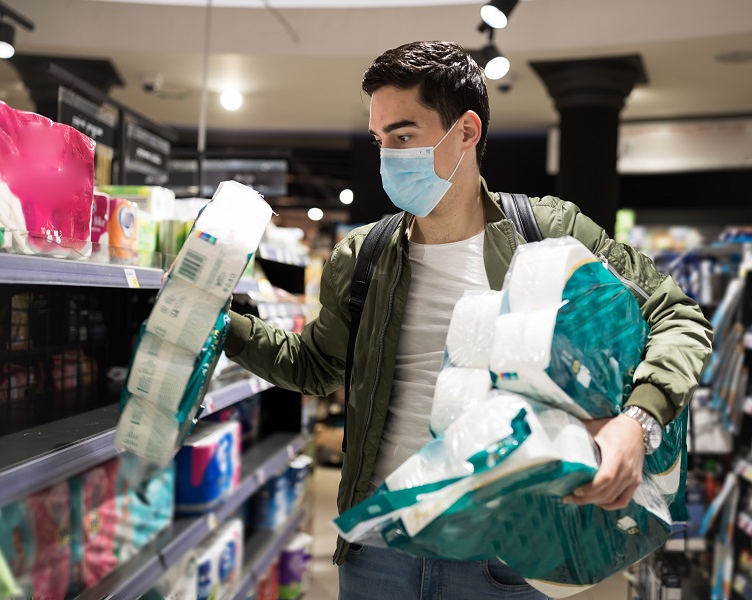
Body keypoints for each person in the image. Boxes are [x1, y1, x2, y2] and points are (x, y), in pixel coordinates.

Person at [225, 41, 713, 600]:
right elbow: (314, 367)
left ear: (467, 131)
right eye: (379, 139)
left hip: (505, 553)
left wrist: (639, 420)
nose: (388, 156)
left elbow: (677, 315)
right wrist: (222, 325)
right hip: (378, 548)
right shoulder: (362, 256)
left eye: (404, 136)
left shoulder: (548, 233)